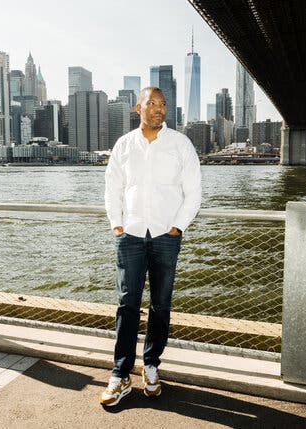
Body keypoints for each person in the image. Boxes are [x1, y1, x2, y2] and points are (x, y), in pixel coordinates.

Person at [100, 87, 202, 406]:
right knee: (127, 304)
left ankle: (152, 365)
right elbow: (112, 188)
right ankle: (120, 374)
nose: (159, 109)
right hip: (129, 235)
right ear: (137, 108)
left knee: (161, 305)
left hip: (165, 237)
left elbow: (194, 191)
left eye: (163, 105)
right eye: (152, 104)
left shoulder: (180, 144)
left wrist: (176, 228)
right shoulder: (124, 145)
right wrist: (117, 224)